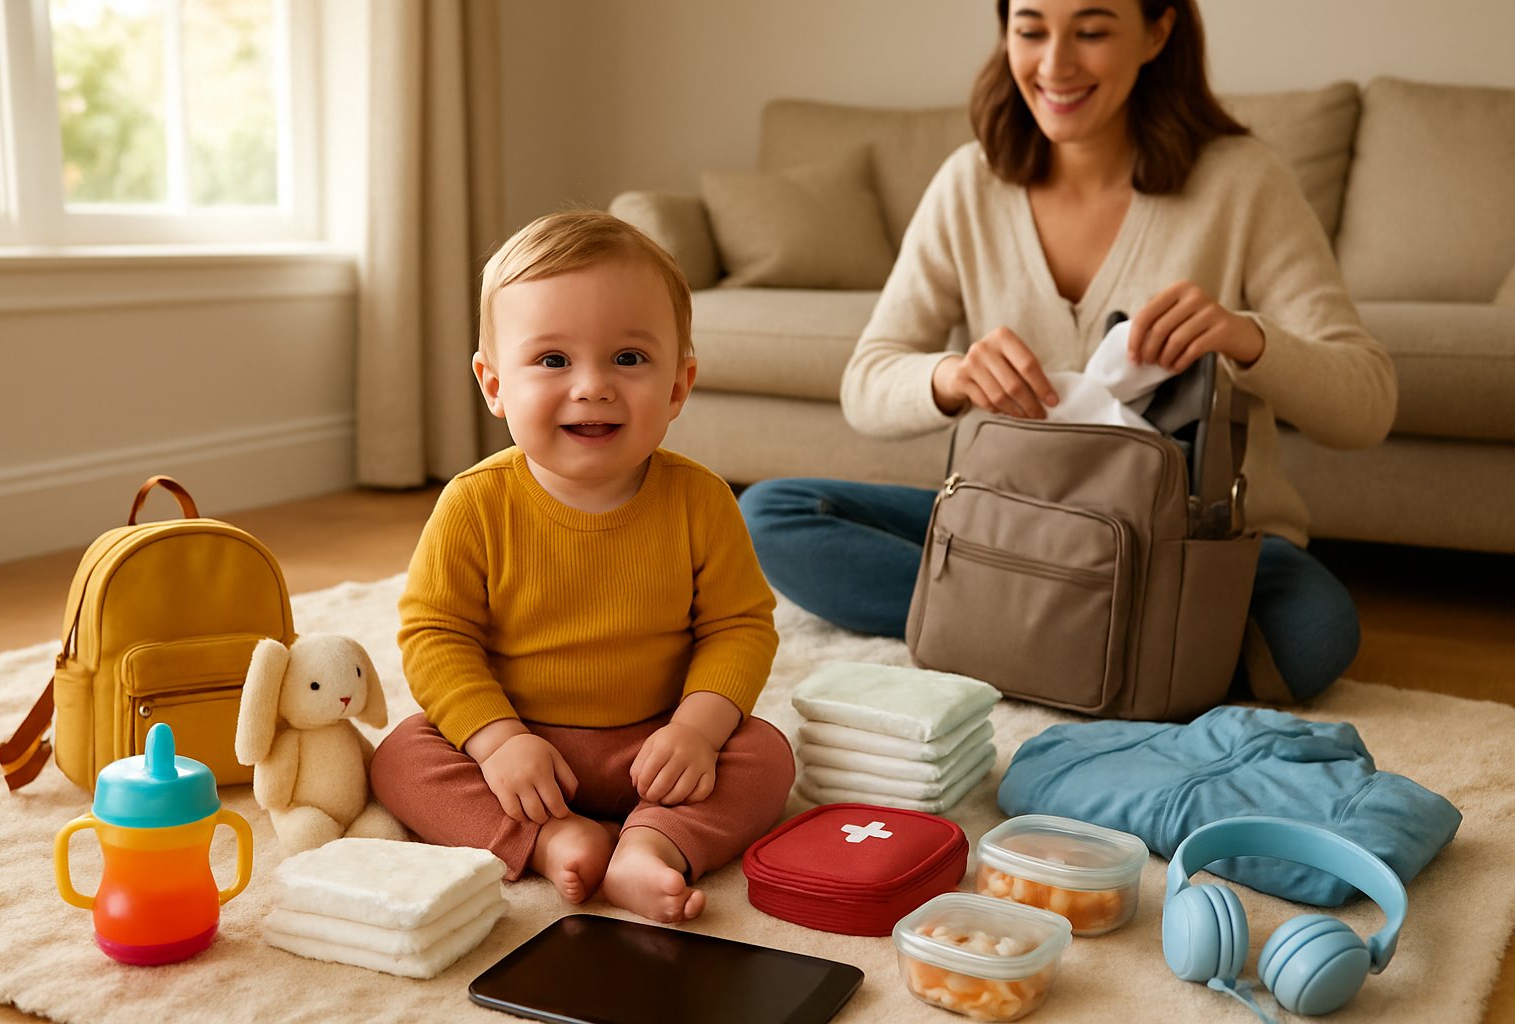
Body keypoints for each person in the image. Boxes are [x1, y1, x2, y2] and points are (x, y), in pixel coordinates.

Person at [740, 0, 1396, 703]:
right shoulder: (969, 183)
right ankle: (1115, 640)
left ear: (1158, 31)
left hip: (1187, 549)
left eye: (1090, 31)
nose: (1054, 65)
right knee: (772, 513)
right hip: (1013, 526)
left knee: (1315, 630)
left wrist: (1250, 337)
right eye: (1030, 30)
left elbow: (1367, 404)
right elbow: (866, 380)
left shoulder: (1244, 182)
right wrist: (951, 376)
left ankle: (1003, 623)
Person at [370, 210, 794, 924]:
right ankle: (547, 839)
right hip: (521, 746)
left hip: (656, 743)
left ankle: (652, 845)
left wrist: (697, 728)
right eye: (554, 360)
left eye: (628, 359)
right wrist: (498, 741)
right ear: (494, 384)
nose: (592, 385)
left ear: (679, 385)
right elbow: (436, 637)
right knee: (401, 757)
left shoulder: (702, 500)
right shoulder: (474, 504)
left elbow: (739, 628)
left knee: (766, 755)